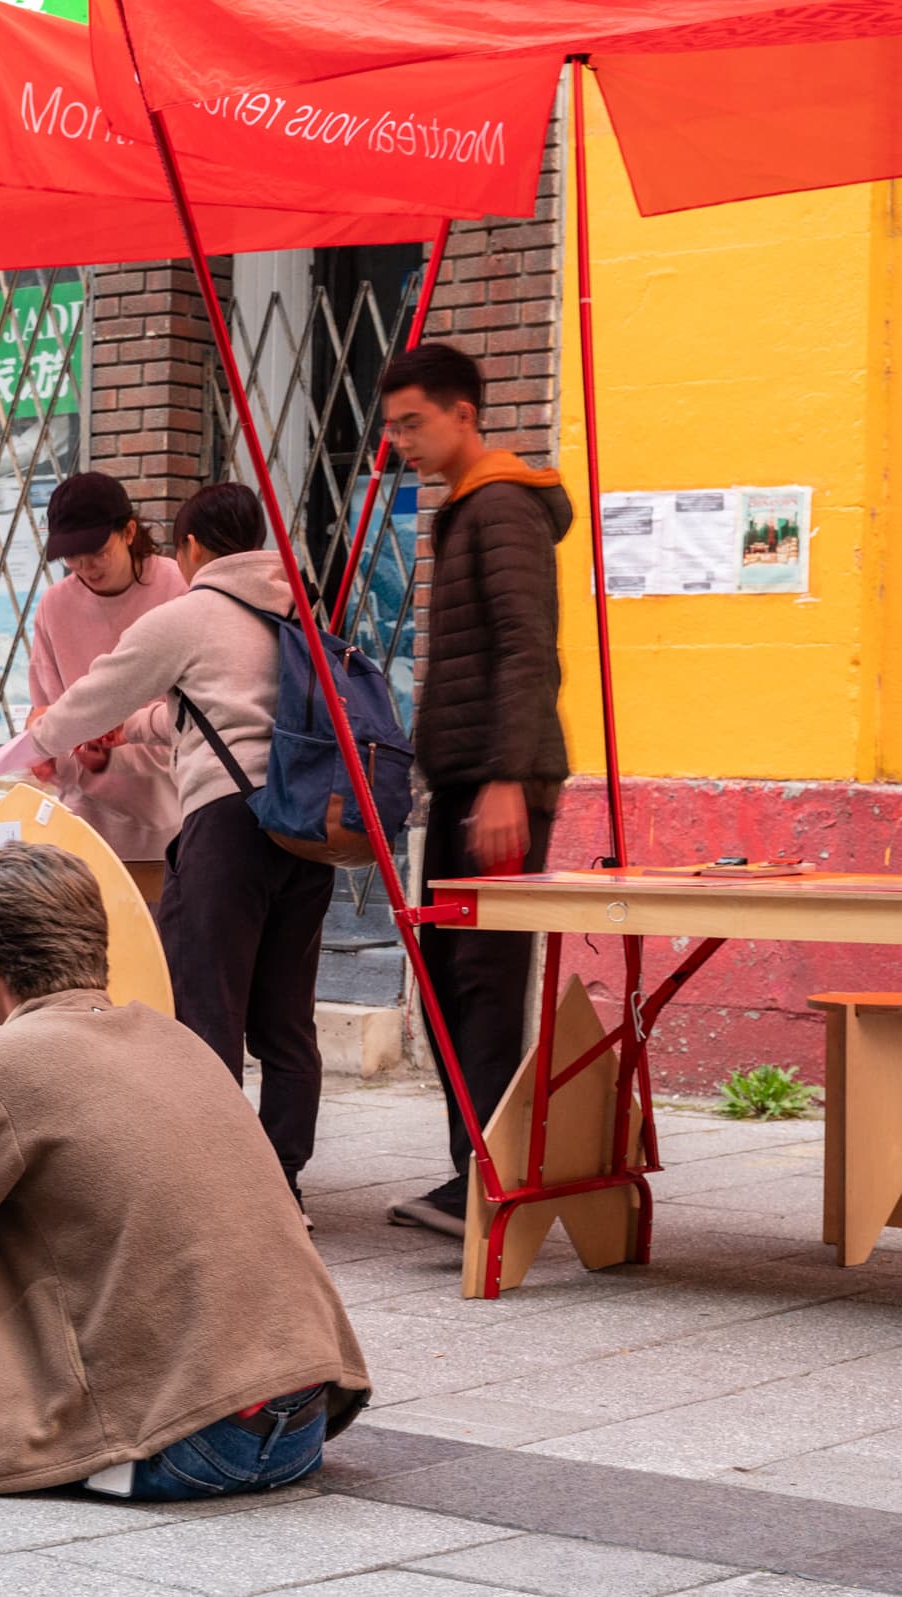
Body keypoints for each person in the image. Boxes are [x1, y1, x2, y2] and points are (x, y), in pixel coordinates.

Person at [0, 844, 370, 1495]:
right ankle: (21, 1439)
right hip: (301, 1427)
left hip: (194, 1445)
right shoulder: (178, 1039)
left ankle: (71, 1454)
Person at [25, 482, 332, 1207]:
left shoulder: (191, 609)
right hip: (304, 826)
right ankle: (280, 1179)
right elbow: (191, 713)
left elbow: (105, 687)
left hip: (225, 827)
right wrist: (129, 732)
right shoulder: (298, 603)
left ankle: (216, 1181)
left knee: (207, 1007)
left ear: (188, 547)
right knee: (286, 1016)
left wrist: (32, 742)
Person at [378, 344, 573, 1237]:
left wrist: (506, 779)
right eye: (390, 426)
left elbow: (530, 649)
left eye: (412, 422)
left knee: (487, 980)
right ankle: (471, 1175)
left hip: (500, 783)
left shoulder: (501, 506)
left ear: (465, 414)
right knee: (453, 980)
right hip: (460, 778)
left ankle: (490, 1177)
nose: (400, 442)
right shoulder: (461, 507)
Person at [26, 472, 188, 864]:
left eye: (97, 551)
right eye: (72, 556)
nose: (85, 567)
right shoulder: (54, 605)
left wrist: (115, 753)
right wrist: (48, 752)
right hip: (85, 821)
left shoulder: (179, 588)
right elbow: (47, 710)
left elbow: (193, 720)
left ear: (129, 531)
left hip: (176, 814)